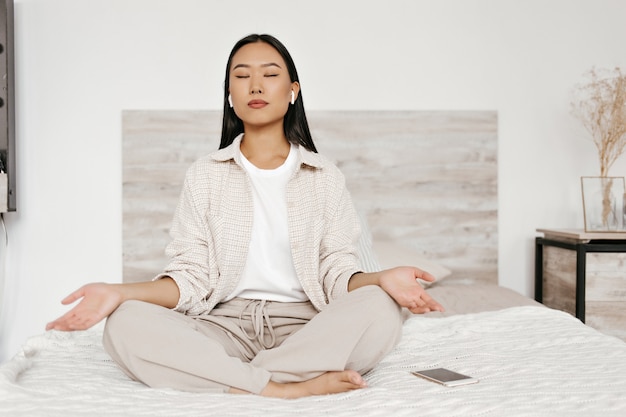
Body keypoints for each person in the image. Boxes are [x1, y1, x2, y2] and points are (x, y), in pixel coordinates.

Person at [46, 33, 444, 399]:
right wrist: (119, 292)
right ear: (230, 95)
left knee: (381, 306)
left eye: (270, 75)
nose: (255, 85)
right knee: (125, 323)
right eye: (242, 76)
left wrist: (381, 278)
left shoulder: (324, 177)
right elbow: (191, 277)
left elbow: (336, 273)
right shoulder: (205, 175)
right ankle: (283, 387)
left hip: (305, 326)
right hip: (222, 325)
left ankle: (235, 379)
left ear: (292, 92)